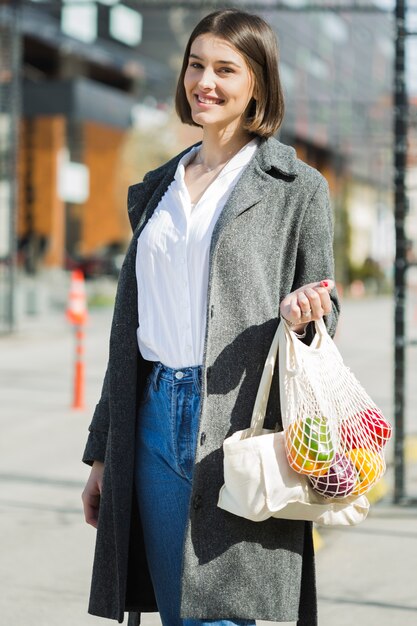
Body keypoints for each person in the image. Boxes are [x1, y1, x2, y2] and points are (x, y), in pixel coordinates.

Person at [81, 8, 340, 626]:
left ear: (258, 84)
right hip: (149, 418)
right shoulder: (155, 189)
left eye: (226, 69)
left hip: (240, 424)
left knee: (223, 615)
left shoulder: (296, 187)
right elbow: (129, 334)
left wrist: (309, 313)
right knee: (178, 612)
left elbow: (326, 312)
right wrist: (101, 454)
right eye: (197, 64)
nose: (206, 81)